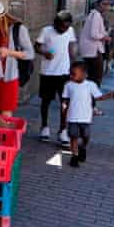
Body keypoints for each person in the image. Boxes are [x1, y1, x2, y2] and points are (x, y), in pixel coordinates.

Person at [0, 0, 34, 117]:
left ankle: (1, 135)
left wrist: (9, 52)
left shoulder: (18, 29)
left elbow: (30, 53)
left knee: (4, 117)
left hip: (8, 80)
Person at [35, 11, 78, 145]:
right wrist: (44, 52)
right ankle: (44, 127)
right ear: (55, 24)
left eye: (66, 27)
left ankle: (63, 130)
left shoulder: (70, 31)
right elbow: (37, 46)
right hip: (48, 72)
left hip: (64, 72)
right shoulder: (46, 31)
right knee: (46, 101)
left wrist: (73, 67)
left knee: (65, 102)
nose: (64, 29)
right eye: (61, 27)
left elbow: (71, 48)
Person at [62, 61, 113, 167]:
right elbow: (65, 99)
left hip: (85, 118)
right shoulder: (68, 85)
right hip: (72, 117)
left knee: (86, 136)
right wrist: (64, 109)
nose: (71, 76)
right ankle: (74, 156)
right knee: (73, 136)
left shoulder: (90, 85)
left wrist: (110, 95)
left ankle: (83, 147)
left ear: (84, 74)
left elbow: (98, 97)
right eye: (70, 73)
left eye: (74, 74)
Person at [79, 0, 112, 108]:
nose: (107, 7)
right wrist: (105, 37)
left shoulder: (94, 14)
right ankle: (91, 105)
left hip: (91, 50)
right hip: (93, 50)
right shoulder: (96, 15)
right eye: (104, 4)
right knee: (96, 78)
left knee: (92, 77)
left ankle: (88, 103)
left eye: (108, 4)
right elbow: (94, 34)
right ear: (98, 4)